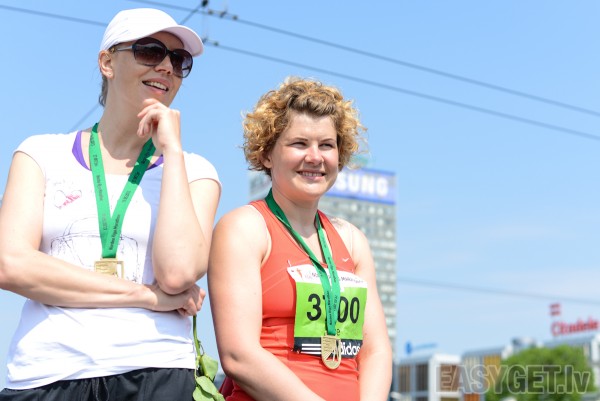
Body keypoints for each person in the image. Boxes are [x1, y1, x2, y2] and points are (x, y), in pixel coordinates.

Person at [0, 8, 221, 400]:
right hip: (45, 373)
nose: (166, 67)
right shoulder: (40, 154)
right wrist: (146, 296)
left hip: (156, 372)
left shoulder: (195, 172)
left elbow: (177, 274)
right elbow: (11, 264)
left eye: (179, 60)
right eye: (150, 51)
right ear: (107, 62)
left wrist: (172, 151)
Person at [208, 77, 392, 401]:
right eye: (299, 144)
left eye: (327, 145)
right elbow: (239, 355)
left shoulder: (353, 242)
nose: (315, 157)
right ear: (267, 154)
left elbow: (376, 350)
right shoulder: (244, 229)